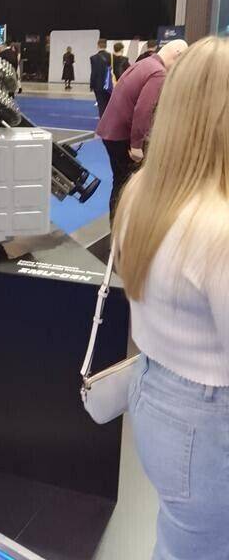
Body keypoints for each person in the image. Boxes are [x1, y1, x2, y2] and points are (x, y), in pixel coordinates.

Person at [114, 36, 229, 560]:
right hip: (206, 422)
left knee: (180, 540)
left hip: (153, 390)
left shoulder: (142, 193)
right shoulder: (217, 225)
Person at [97, 39, 188, 221]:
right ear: (177, 55)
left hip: (111, 132)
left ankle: (118, 225)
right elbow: (143, 110)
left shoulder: (145, 63)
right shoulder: (158, 73)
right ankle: (125, 225)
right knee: (127, 184)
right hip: (122, 137)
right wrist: (137, 145)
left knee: (120, 181)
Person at [90, 39, 112, 117]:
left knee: (101, 104)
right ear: (106, 46)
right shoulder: (111, 56)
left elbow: (94, 72)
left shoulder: (93, 58)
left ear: (98, 46)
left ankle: (102, 119)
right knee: (108, 104)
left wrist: (92, 85)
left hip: (98, 85)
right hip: (108, 84)